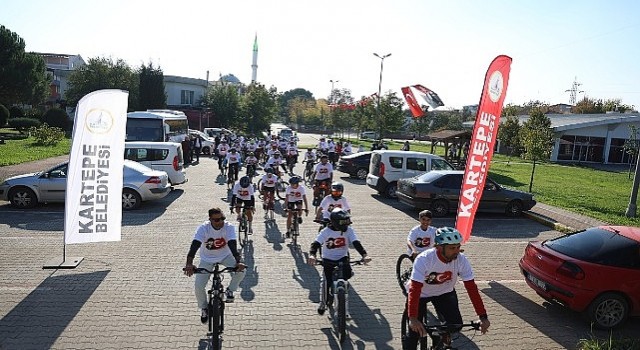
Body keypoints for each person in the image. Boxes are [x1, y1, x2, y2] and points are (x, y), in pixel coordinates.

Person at [404, 227, 490, 349]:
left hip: (444, 292)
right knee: (414, 332)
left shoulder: (461, 260)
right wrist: (412, 318)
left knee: (455, 325)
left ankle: (437, 337)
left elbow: (472, 289)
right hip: (421, 294)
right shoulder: (424, 259)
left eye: (458, 247)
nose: (456, 251)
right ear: (439, 247)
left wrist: (483, 316)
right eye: (452, 248)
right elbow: (415, 289)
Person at [183, 207, 247, 323]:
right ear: (210, 220)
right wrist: (189, 264)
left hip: (226, 256)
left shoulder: (229, 227)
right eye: (216, 220)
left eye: (222, 218)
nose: (220, 222)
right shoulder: (203, 228)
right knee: (198, 286)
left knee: (241, 271)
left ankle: (230, 291)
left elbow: (232, 245)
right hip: (207, 259)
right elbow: (194, 246)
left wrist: (238, 261)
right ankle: (204, 308)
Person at [307, 208, 371, 315]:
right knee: (326, 283)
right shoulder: (326, 231)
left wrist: (365, 255)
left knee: (347, 275)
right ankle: (323, 303)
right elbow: (316, 244)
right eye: (343, 223)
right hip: (328, 260)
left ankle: (343, 302)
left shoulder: (349, 230)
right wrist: (312, 255)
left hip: (343, 259)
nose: (346, 226)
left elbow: (356, 243)